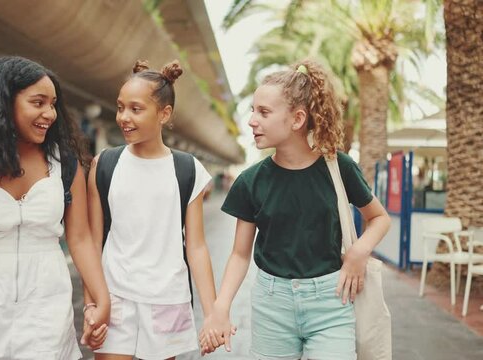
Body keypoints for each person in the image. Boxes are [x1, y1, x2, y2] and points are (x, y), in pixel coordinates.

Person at [200, 60, 391, 360]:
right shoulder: (250, 182)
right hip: (271, 304)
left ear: (297, 119)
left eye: (263, 112)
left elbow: (379, 218)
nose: (251, 120)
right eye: (252, 110)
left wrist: (358, 252)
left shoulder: (339, 168)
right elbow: (239, 254)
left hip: (333, 300)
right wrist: (220, 308)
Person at [0, 56, 110, 360]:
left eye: (53, 104)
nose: (50, 114)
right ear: (4, 104)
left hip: (49, 317)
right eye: (38, 102)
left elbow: (79, 239)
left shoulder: (66, 167)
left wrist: (100, 298)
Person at [83, 60, 217, 360]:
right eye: (120, 108)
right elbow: (92, 241)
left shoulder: (187, 169)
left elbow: (196, 247)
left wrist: (212, 313)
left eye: (135, 109)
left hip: (167, 300)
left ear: (164, 114)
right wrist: (90, 303)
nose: (123, 118)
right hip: (114, 295)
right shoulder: (104, 164)